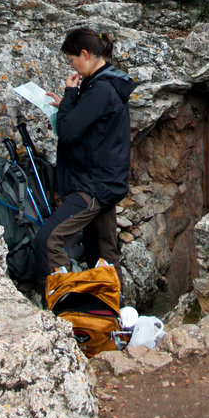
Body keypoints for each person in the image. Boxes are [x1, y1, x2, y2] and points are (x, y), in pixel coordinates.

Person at [33, 27, 136, 286]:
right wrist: (68, 104)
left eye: (72, 61)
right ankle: (117, 316)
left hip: (93, 186)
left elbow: (68, 132)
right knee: (102, 253)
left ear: (85, 54)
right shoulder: (105, 84)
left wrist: (69, 97)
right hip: (105, 181)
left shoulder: (101, 89)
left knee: (48, 239)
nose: (73, 68)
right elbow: (89, 124)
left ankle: (69, 306)